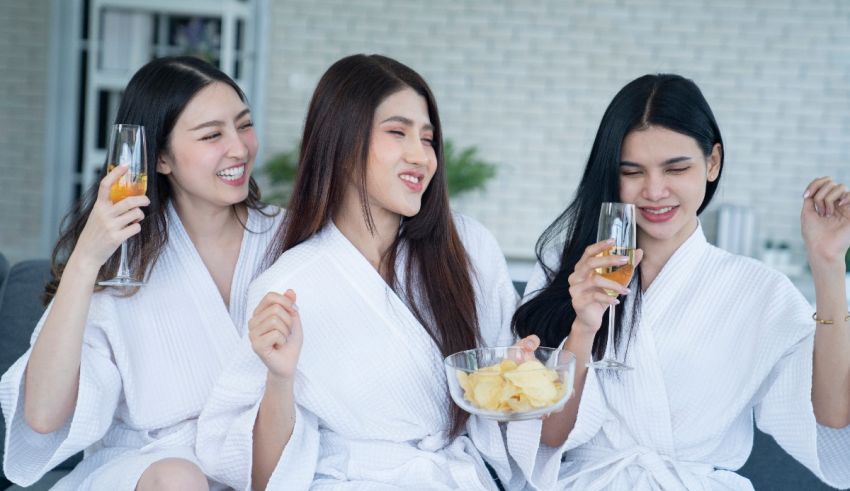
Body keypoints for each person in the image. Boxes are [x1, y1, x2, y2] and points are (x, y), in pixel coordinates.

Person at [196, 54, 542, 490]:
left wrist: (513, 375)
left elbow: (504, 408)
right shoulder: (289, 284)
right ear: (341, 146)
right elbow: (263, 478)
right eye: (397, 133)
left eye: (428, 138)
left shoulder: (468, 249)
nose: (422, 156)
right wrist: (279, 378)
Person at [512, 73, 850, 489]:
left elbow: (834, 414)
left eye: (676, 168)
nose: (654, 191)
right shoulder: (569, 268)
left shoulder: (758, 289)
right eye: (632, 171)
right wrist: (584, 326)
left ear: (713, 163)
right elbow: (547, 436)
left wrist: (828, 262)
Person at [0, 56, 283, 490]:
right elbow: (42, 415)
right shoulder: (123, 259)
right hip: (150, 470)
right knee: (180, 480)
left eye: (243, 125)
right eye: (212, 135)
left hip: (258, 461)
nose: (240, 148)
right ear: (162, 158)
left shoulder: (286, 239)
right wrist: (86, 260)